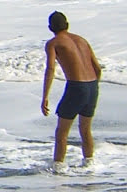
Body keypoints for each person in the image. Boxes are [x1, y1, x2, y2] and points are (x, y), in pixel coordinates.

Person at [41, 11, 102, 164]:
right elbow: (98, 68)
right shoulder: (82, 40)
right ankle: (89, 163)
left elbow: (50, 69)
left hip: (76, 87)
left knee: (62, 132)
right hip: (92, 85)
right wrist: (93, 87)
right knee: (85, 129)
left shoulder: (53, 43)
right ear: (67, 25)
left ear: (50, 28)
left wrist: (45, 97)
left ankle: (58, 168)